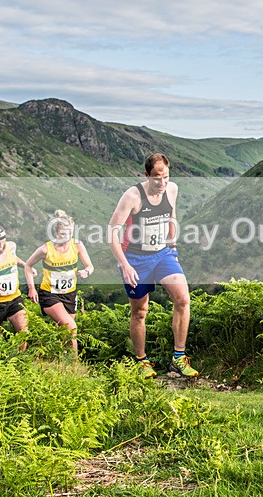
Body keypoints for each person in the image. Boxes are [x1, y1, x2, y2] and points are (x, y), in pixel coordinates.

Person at [108, 153, 198, 378]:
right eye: (157, 178)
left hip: (163, 255)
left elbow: (172, 216)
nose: (162, 183)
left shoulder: (172, 189)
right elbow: (112, 232)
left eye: (166, 177)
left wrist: (173, 247)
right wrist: (125, 265)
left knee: (183, 299)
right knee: (139, 311)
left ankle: (178, 358)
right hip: (136, 259)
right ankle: (142, 360)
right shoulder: (132, 196)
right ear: (146, 175)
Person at [24, 210, 94, 354]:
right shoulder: (45, 249)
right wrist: (32, 288)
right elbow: (28, 265)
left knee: (64, 332)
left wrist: (85, 272)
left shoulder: (77, 245)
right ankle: (75, 364)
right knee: (71, 327)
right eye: (63, 234)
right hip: (49, 294)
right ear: (55, 233)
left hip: (69, 293)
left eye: (69, 233)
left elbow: (90, 266)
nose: (67, 237)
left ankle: (57, 358)